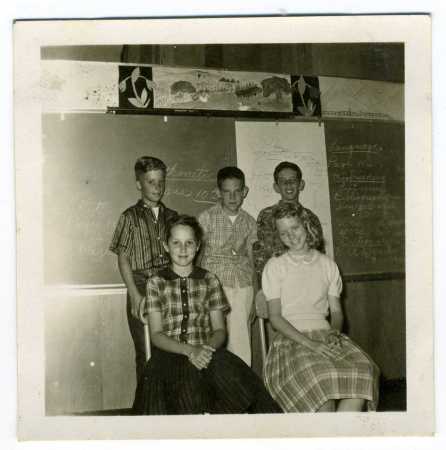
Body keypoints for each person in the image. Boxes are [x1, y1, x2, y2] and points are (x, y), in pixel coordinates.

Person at [133, 215, 282, 415]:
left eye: (189, 243)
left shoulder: (209, 279)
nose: (183, 249)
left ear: (198, 246)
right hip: (169, 355)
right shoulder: (156, 282)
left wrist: (204, 350)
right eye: (176, 243)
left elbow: (220, 330)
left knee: (246, 388)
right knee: (179, 394)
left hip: (208, 351)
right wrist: (189, 351)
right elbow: (157, 335)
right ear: (166, 246)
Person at [262, 203, 380, 412]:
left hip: (325, 334)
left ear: (306, 226)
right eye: (284, 233)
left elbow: (336, 312)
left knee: (364, 370)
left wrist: (334, 332)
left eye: (295, 228)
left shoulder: (327, 264)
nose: (291, 236)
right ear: (278, 236)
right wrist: (310, 344)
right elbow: (276, 318)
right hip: (292, 339)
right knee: (319, 377)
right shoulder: (275, 265)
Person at [109, 156, 178, 388]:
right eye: (150, 182)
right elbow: (123, 259)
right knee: (146, 350)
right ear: (139, 184)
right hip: (141, 286)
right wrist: (135, 295)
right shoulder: (129, 217)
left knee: (171, 348)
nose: (157, 187)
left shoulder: (173, 217)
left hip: (169, 286)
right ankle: (148, 410)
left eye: (161, 181)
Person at [198, 167, 258, 366]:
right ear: (218, 192)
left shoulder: (250, 222)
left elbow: (252, 260)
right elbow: (198, 255)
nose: (232, 197)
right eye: (226, 191)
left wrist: (257, 293)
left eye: (237, 191)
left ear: (245, 192)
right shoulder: (206, 218)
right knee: (213, 339)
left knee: (240, 343)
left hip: (242, 286)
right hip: (214, 285)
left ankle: (238, 391)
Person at [254, 161, 325, 283]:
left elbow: (318, 254)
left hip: (306, 279)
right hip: (278, 281)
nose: (288, 184)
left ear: (301, 184)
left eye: (293, 180)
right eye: (283, 181)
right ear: (276, 187)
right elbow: (261, 255)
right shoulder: (267, 215)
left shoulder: (311, 217)